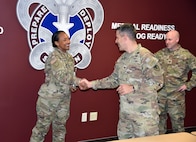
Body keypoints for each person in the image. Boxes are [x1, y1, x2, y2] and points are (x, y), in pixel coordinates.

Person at [79, 24, 164, 139]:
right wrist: (90, 84)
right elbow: (113, 80)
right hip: (125, 117)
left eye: (117, 37)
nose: (116, 41)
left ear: (125, 38)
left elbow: (158, 81)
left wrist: (133, 87)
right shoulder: (122, 59)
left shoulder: (145, 56)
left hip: (144, 118)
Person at [30, 30, 81, 142]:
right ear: (57, 43)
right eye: (65, 39)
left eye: (68, 38)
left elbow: (70, 76)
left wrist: (73, 85)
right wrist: (80, 82)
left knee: (60, 129)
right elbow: (62, 76)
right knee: (41, 130)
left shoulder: (69, 58)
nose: (68, 41)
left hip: (64, 100)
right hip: (49, 100)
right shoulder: (54, 56)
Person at [154, 30, 196, 134]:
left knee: (178, 126)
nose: (167, 42)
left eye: (170, 39)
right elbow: (148, 64)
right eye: (166, 39)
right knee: (159, 126)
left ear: (177, 40)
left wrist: (189, 85)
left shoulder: (186, 55)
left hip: (176, 97)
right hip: (161, 96)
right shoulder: (160, 54)